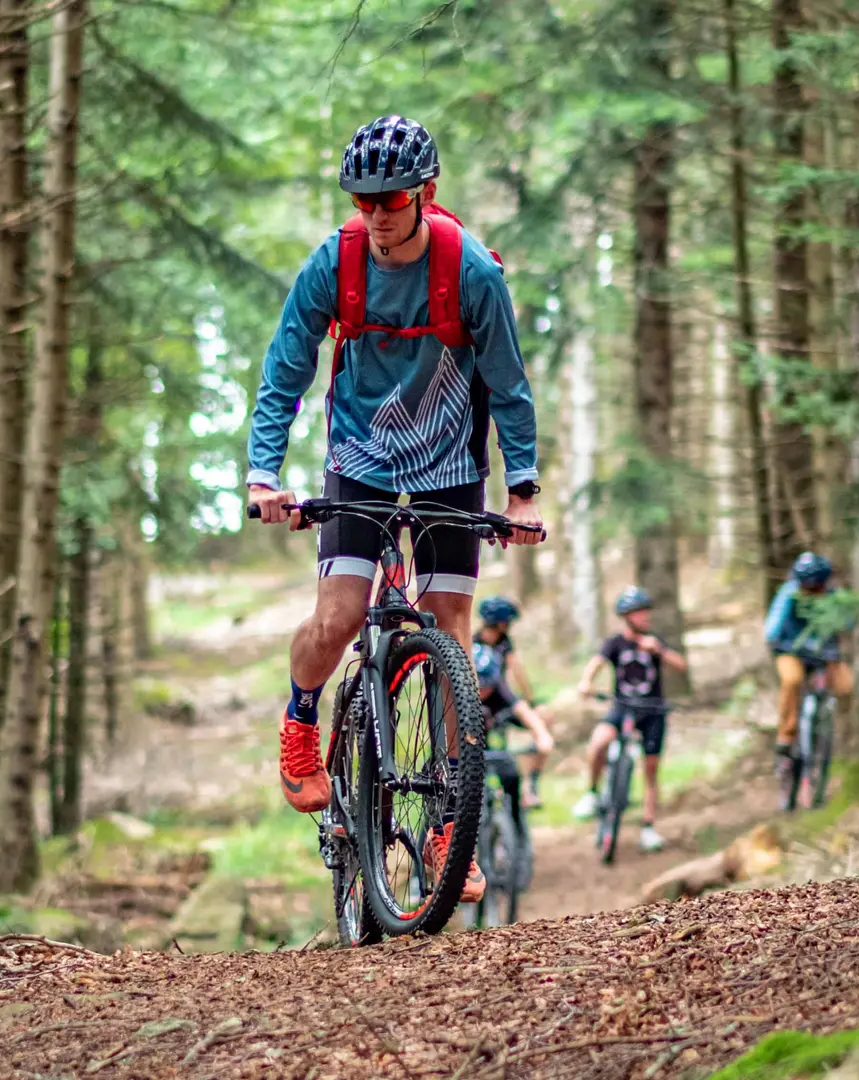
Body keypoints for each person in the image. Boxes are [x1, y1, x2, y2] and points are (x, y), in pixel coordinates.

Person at [246, 115, 545, 906]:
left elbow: (509, 385)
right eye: (364, 197)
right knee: (338, 616)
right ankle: (303, 720)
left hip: (450, 466)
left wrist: (521, 489)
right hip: (360, 464)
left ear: (426, 194)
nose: (377, 212)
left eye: (394, 196)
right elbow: (286, 368)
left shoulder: (472, 270)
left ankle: (454, 821)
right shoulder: (335, 262)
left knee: (450, 631)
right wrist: (262, 474)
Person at [572, 586, 688, 852]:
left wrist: (659, 651)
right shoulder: (616, 643)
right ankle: (592, 793)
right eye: (639, 612)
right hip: (622, 707)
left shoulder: (655, 641)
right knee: (598, 743)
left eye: (646, 611)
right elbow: (596, 663)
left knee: (650, 769)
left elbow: (681, 666)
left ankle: (648, 827)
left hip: (653, 710)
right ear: (627, 616)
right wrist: (586, 683)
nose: (645, 616)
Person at [765, 552, 855, 765]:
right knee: (792, 680)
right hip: (790, 651)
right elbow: (772, 627)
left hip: (825, 654)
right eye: (807, 587)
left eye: (817, 587)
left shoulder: (833, 596)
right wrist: (776, 639)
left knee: (846, 685)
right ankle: (786, 735)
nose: (812, 592)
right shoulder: (789, 594)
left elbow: (848, 622)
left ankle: (832, 732)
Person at [474, 595, 547, 807]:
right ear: (502, 622)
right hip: (489, 706)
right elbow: (517, 671)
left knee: (540, 720)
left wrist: (529, 700)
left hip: (502, 700)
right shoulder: (474, 644)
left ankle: (530, 785)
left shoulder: (504, 642)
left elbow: (517, 670)